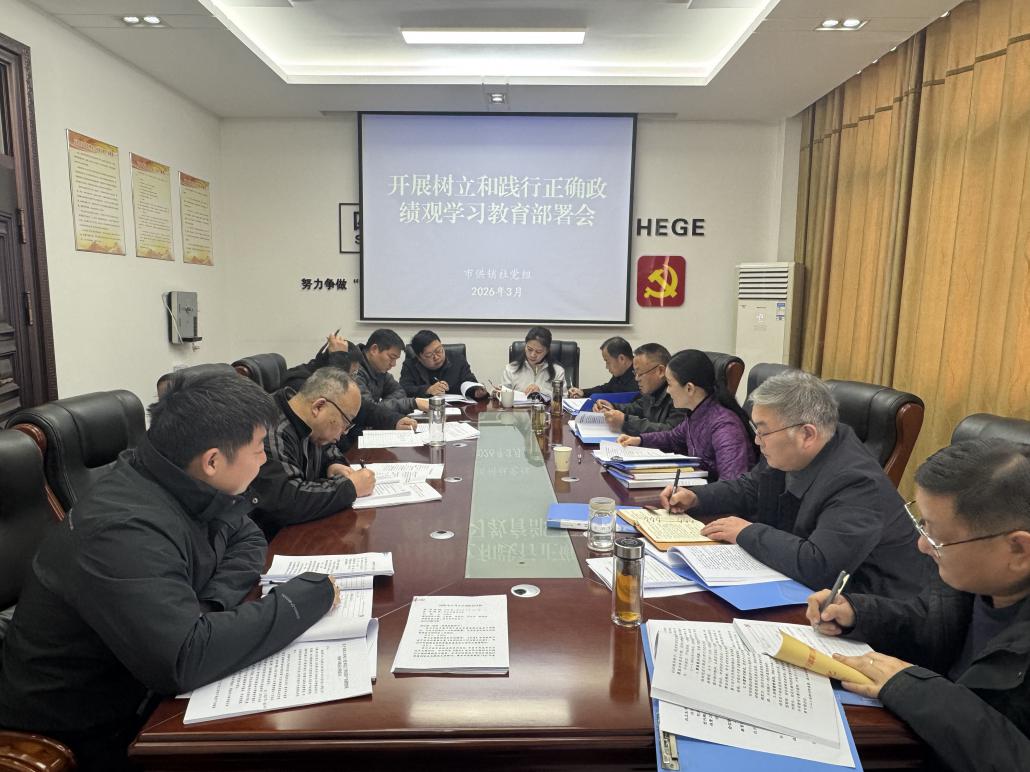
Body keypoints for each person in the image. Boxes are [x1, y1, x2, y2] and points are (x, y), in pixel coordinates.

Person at [0, 373, 338, 771]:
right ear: (213, 461)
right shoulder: (121, 528)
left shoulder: (180, 481)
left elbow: (246, 536)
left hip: (144, 693)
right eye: (259, 448)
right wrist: (305, 598)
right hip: (86, 735)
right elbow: (185, 657)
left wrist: (210, 606)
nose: (265, 460)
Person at [807, 439, 1030, 772]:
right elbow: (932, 624)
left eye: (937, 537)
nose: (923, 546)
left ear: (1019, 551)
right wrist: (859, 613)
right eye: (922, 524)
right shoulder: (973, 582)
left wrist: (919, 692)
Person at [660, 369, 927, 597]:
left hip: (873, 611)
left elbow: (820, 565)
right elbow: (751, 487)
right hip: (808, 592)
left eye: (763, 431)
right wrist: (697, 497)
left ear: (806, 434)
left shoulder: (857, 482)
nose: (757, 441)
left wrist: (746, 532)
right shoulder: (794, 452)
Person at [251, 367, 376, 538]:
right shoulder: (271, 430)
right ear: (319, 406)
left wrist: (334, 463)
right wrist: (350, 488)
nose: (343, 433)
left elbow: (327, 446)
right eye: (345, 423)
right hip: (273, 538)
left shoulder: (303, 416)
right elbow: (287, 501)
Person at [617, 349, 755, 482]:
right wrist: (640, 440)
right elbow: (672, 438)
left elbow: (731, 483)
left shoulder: (725, 426)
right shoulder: (697, 413)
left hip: (713, 493)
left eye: (669, 384)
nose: (668, 391)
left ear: (689, 388)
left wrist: (695, 495)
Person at [282, 331, 417, 451]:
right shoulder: (300, 382)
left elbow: (364, 407)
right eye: (351, 374)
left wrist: (394, 420)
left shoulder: (379, 372)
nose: (353, 381)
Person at [593, 343, 686, 436]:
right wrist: (612, 407)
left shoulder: (679, 395)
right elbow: (636, 408)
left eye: (640, 373)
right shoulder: (651, 392)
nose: (636, 379)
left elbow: (671, 432)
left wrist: (625, 421)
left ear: (661, 371)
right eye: (635, 373)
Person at [352, 328, 428, 415]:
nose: (393, 364)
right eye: (392, 357)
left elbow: (400, 392)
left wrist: (382, 406)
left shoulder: (379, 370)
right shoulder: (353, 370)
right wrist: (413, 404)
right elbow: (368, 410)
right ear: (374, 349)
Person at [399, 330, 487, 399]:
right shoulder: (410, 365)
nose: (436, 357)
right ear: (419, 357)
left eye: (439, 350)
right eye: (429, 355)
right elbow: (404, 389)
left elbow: (469, 382)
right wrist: (427, 390)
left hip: (457, 410)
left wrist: (476, 392)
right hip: (424, 410)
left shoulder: (458, 359)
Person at [500, 326, 566, 398]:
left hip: (547, 406)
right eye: (529, 349)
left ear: (547, 351)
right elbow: (502, 396)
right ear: (525, 346)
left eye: (538, 351)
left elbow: (564, 398)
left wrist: (541, 392)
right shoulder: (511, 369)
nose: (532, 355)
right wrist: (496, 393)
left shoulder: (558, 371)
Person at [567, 336, 636, 398]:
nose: (606, 367)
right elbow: (605, 389)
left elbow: (635, 405)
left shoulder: (639, 376)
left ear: (622, 359)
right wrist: (583, 392)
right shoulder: (621, 373)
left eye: (607, 361)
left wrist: (613, 406)